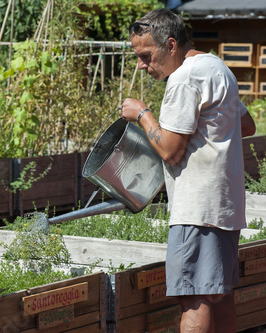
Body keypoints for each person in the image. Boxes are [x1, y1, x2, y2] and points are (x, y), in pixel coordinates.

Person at [121, 8, 256, 333]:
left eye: (145, 55)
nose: (141, 65)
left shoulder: (183, 79)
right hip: (222, 205)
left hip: (196, 207)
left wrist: (142, 114)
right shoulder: (215, 66)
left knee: (193, 299)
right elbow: (247, 125)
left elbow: (169, 149)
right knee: (218, 295)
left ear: (170, 44)